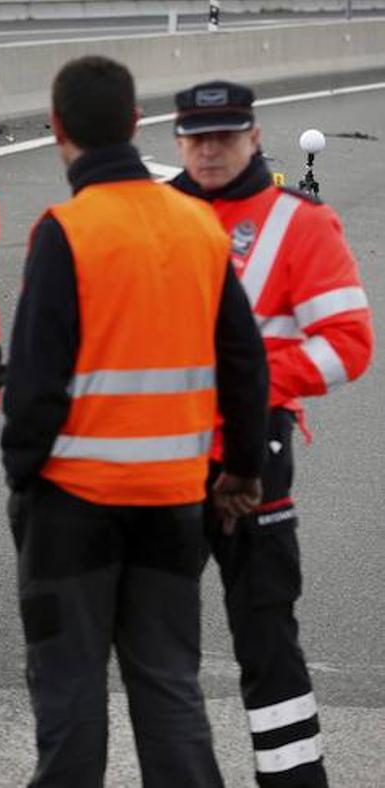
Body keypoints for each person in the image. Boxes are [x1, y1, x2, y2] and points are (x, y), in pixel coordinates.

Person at [2, 56, 270, 787]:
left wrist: (21, 478)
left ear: (57, 130)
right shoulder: (197, 227)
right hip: (173, 505)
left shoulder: (66, 230)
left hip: (71, 506)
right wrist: (242, 471)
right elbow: (246, 369)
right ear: (135, 124)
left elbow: (33, 385)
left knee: (70, 699)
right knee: (168, 690)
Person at [168, 81, 373, 788]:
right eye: (196, 137)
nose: (210, 150)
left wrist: (253, 383)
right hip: (163, 460)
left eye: (224, 135)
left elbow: (347, 344)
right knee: (159, 643)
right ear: (178, 142)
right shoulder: (160, 217)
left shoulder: (299, 224)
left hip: (257, 457)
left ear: (254, 137)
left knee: (264, 636)